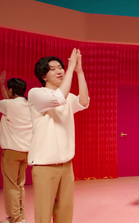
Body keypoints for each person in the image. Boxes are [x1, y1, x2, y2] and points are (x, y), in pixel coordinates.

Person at [28, 48, 89, 223]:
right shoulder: (36, 94)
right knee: (44, 216)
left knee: (65, 213)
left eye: (60, 67)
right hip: (45, 166)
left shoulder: (68, 97)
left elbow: (84, 102)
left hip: (66, 164)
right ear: (43, 76)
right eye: (53, 68)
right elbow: (57, 98)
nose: (59, 70)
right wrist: (70, 68)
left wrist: (79, 71)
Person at [0, 70, 32, 223]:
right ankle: (21, 216)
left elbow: (7, 104)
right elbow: (8, 103)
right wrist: (2, 86)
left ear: (11, 90)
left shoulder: (8, 105)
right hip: (26, 152)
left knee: (11, 186)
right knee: (20, 185)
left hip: (11, 152)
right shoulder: (30, 105)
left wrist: (0, 85)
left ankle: (15, 218)